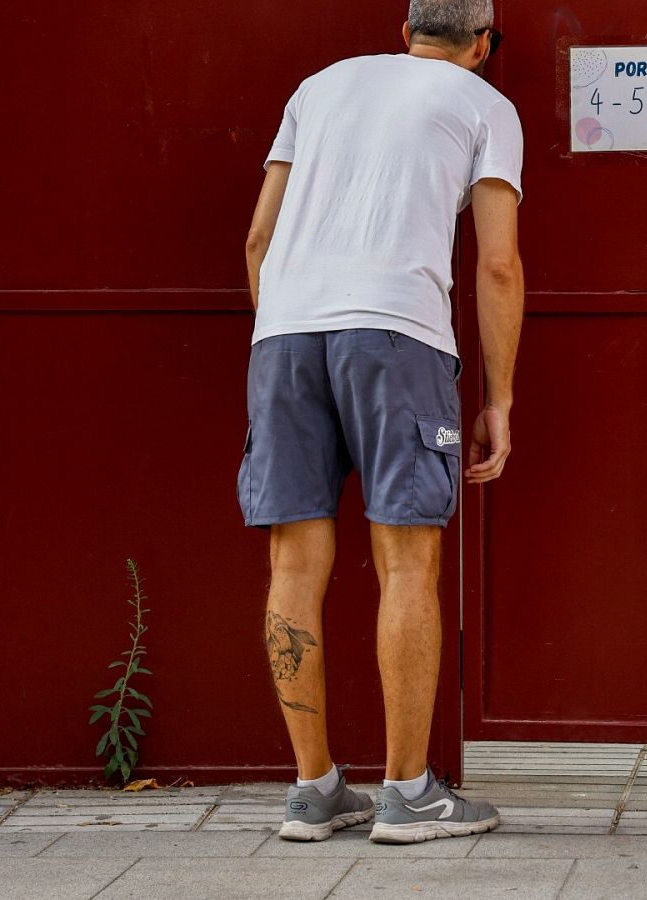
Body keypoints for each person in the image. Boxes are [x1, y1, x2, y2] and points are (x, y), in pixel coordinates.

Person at [239, 0, 524, 843]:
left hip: (284, 332)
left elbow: (259, 239)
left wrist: (286, 326)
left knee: (293, 561)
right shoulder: (483, 104)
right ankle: (408, 794)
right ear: (480, 44)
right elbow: (498, 262)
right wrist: (498, 399)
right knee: (406, 560)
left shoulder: (319, 87)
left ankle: (314, 789)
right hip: (397, 333)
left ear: (406, 34)